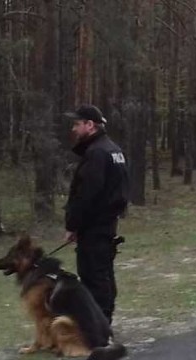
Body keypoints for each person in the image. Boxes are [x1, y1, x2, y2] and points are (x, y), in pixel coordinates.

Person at [64, 104, 130, 324]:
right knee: (103, 274)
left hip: (95, 225)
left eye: (76, 124)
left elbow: (86, 194)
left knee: (94, 276)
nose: (73, 129)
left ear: (89, 125)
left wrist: (73, 225)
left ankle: (100, 328)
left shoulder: (98, 153)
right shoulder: (113, 149)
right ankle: (103, 322)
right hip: (106, 223)